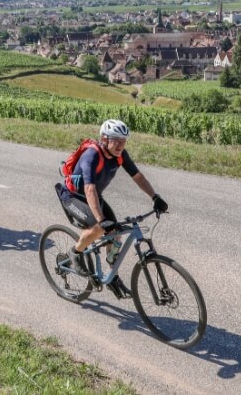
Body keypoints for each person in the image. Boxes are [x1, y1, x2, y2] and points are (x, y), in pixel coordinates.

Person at [57, 119, 168, 298]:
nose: (121, 144)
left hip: (93, 197)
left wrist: (155, 197)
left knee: (114, 232)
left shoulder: (120, 155)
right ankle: (75, 252)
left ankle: (112, 276)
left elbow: (138, 176)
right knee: (100, 227)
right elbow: (89, 189)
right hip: (73, 197)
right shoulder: (92, 155)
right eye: (116, 140)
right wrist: (101, 220)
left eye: (124, 140)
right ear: (104, 138)